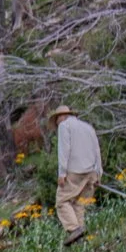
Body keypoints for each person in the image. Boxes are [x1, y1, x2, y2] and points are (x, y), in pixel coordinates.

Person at [51, 103, 102, 242]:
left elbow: (64, 150)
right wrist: (98, 173)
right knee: (79, 203)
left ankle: (74, 229)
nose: (56, 123)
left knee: (61, 201)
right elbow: (97, 150)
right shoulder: (88, 127)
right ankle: (81, 239)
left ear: (62, 116)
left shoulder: (64, 126)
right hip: (91, 171)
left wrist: (62, 174)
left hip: (75, 171)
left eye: (57, 119)